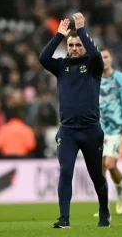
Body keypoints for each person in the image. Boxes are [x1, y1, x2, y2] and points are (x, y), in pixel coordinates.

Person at [39, 13, 110, 228]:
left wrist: (81, 31)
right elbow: (43, 58)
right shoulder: (61, 67)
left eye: (78, 45)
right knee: (65, 171)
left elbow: (97, 56)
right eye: (71, 45)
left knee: (96, 175)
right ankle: (64, 218)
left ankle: (104, 211)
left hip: (91, 130)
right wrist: (59, 35)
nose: (75, 48)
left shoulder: (92, 66)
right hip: (68, 131)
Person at [92, 47, 122, 217]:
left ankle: (120, 193)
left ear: (111, 59)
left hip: (116, 128)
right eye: (101, 57)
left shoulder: (121, 79)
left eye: (106, 56)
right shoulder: (94, 78)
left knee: (110, 164)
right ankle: (104, 206)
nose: (104, 60)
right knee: (100, 168)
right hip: (98, 129)